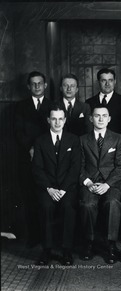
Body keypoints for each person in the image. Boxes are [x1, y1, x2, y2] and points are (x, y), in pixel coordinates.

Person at [79, 105, 121, 264]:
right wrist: (88, 182)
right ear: (91, 118)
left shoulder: (118, 138)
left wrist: (107, 184)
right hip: (90, 183)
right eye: (97, 116)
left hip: (111, 184)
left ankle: (111, 245)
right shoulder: (82, 140)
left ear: (109, 119)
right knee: (87, 204)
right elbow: (78, 166)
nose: (100, 119)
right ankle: (89, 242)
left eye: (104, 116)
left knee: (113, 203)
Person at [32, 105, 81, 265]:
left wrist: (63, 189)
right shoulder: (40, 141)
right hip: (48, 188)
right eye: (54, 119)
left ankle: (67, 251)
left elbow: (75, 168)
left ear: (65, 120)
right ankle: (47, 250)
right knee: (46, 207)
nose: (57, 122)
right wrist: (50, 189)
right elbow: (37, 169)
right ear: (48, 120)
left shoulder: (73, 140)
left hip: (67, 188)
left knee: (68, 208)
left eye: (61, 119)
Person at [15, 71, 53, 246]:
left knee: (46, 198)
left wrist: (39, 150)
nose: (37, 86)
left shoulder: (53, 105)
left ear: (45, 85)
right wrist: (30, 149)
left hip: (47, 160)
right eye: (33, 84)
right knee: (29, 198)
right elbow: (18, 133)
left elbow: (54, 131)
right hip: (26, 159)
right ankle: (33, 237)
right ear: (29, 86)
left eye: (40, 83)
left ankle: (50, 238)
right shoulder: (20, 107)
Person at [86, 68, 121, 134]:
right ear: (98, 82)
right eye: (103, 80)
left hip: (118, 142)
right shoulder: (89, 103)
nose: (107, 84)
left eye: (110, 80)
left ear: (115, 82)